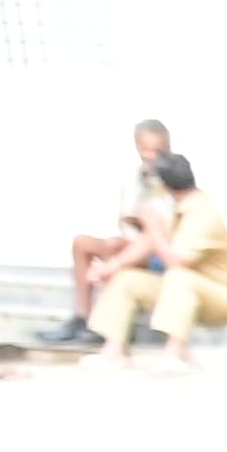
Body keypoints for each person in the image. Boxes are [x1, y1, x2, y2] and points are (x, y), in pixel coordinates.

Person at [86, 153, 227, 355]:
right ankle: (114, 351)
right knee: (126, 280)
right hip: (192, 293)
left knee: (178, 277)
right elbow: (148, 242)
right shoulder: (178, 209)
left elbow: (176, 263)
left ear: (163, 186)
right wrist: (111, 267)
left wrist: (152, 224)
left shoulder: (202, 213)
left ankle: (176, 352)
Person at [46, 118, 176, 345]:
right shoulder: (135, 179)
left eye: (158, 150)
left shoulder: (176, 177)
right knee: (83, 243)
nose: (152, 156)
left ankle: (109, 324)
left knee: (116, 251)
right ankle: (82, 316)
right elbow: (125, 219)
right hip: (134, 241)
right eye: (146, 149)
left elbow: (170, 227)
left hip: (160, 252)